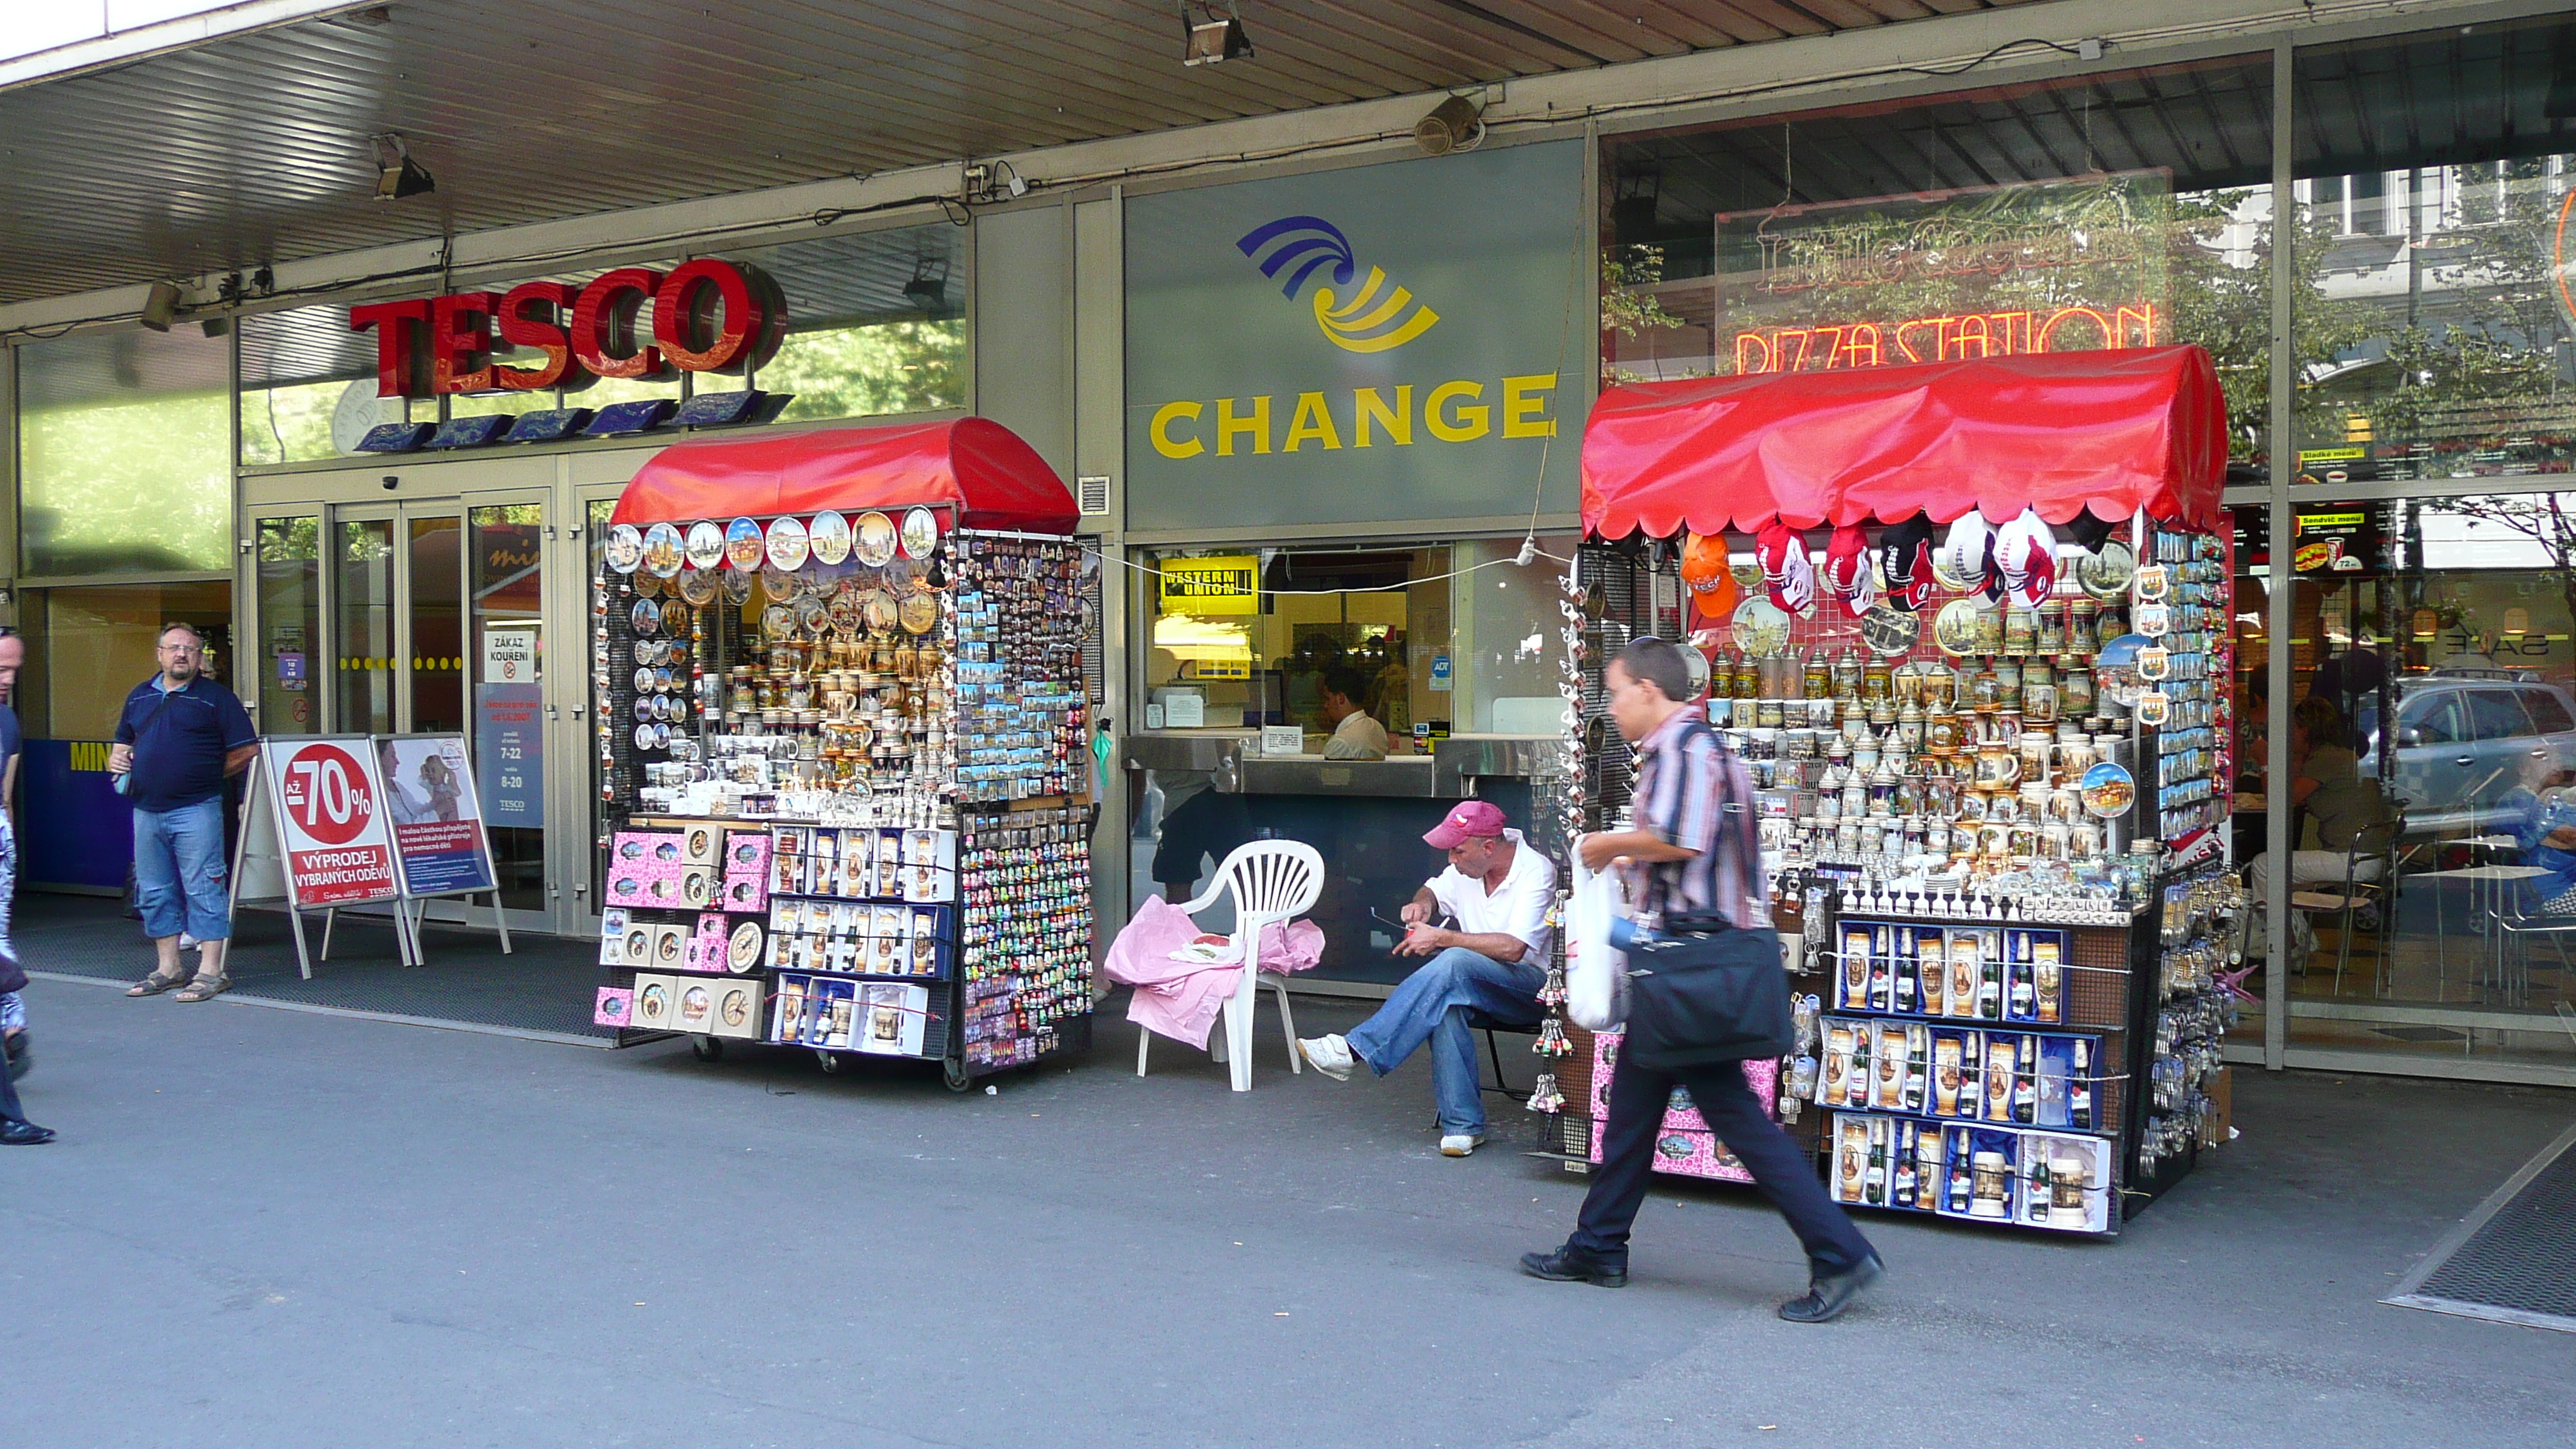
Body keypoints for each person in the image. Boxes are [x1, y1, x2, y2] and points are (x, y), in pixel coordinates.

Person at [1522, 637, 1881, 1323]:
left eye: (1618, 692)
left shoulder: (1685, 751)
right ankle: (1598, 1245)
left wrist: (1609, 844)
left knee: (1734, 1119)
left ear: (1650, 692)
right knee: (1633, 1110)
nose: (1614, 706)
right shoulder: (1696, 750)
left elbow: (1682, 839)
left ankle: (1840, 1253)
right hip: (1690, 963)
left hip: (1693, 964)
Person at [1295, 800, 1557, 1156]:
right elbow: (1431, 889)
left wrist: (1442, 937)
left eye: (1458, 850)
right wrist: (1423, 906)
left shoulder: (1536, 872)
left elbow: (1514, 949)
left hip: (1532, 989)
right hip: (1475, 983)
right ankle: (1462, 1127)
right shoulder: (1469, 868)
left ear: (1489, 847)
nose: (1452, 858)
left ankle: (1354, 1049)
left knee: (1453, 962)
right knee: (1445, 1003)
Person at [113, 622, 256, 1003]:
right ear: (159, 653)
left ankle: (211, 971)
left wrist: (209, 773)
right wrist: (118, 756)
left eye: (190, 649)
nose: (182, 654)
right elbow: (122, 742)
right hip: (146, 808)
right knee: (155, 888)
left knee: (204, 885)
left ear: (199, 657)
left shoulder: (217, 698)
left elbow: (247, 749)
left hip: (197, 807)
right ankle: (169, 968)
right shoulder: (139, 696)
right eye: (174, 647)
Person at [2241, 695, 2386, 964]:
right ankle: (2293, 939)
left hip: (2351, 859)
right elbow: (2295, 784)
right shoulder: (2333, 755)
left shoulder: (2327, 759)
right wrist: (2295, 753)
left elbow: (2283, 799)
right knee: (2279, 876)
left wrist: (2264, 762)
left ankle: (2280, 944)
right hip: (2364, 855)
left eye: (2291, 728)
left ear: (2304, 730)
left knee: (2263, 866)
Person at [0, 630, 49, 1142]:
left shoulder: (7, 721)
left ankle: (12, 1027)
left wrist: (8, 850)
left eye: (14, 670)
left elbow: (4, 794)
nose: (8, 680)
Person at [1318, 666, 1389, 760]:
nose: (1326, 705)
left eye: (1328, 699)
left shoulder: (1341, 742)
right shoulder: (1376, 727)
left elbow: (1323, 774)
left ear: (1340, 698)